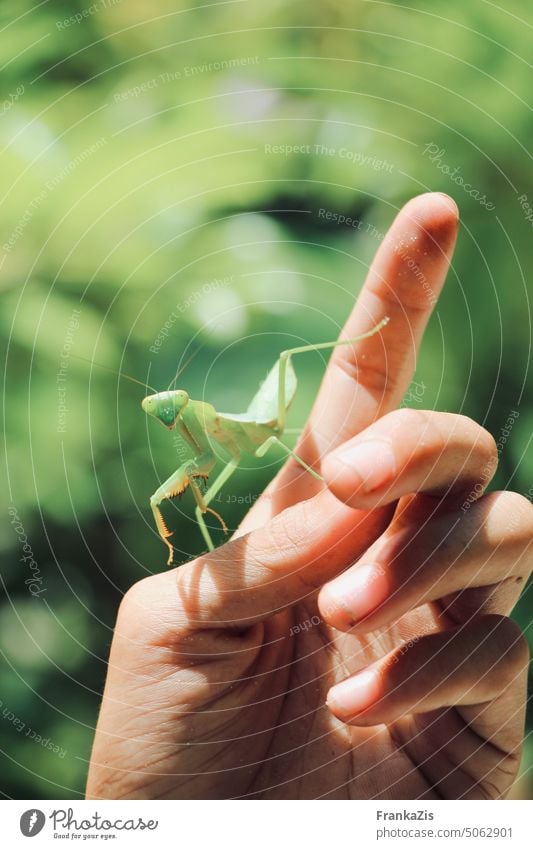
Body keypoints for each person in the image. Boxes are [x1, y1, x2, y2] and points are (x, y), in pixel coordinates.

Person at [86, 193, 532, 800]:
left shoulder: (218, 422)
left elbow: (251, 448)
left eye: (169, 411)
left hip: (269, 419)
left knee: (279, 441)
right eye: (164, 415)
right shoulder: (198, 441)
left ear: (182, 405)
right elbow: (201, 474)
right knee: (191, 497)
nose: (170, 420)